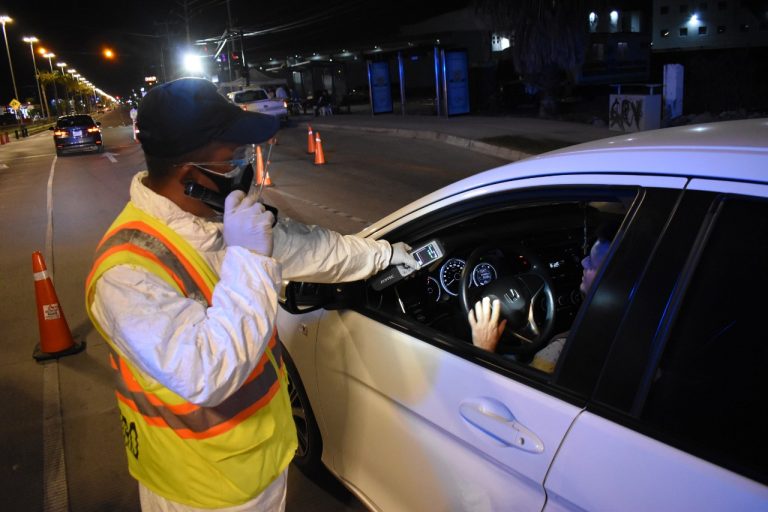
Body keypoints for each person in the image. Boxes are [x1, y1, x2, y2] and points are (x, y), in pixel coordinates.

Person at [85, 77, 418, 512]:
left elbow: (316, 249)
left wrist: (385, 254)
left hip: (262, 464)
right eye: (234, 157)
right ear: (191, 176)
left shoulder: (219, 220)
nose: (246, 166)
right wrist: (247, 258)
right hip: (196, 491)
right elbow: (207, 372)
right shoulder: (126, 273)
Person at [469, 223, 617, 373]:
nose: (583, 262)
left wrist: (484, 349)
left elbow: (514, 393)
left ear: (612, 279)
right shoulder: (618, 319)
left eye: (591, 263)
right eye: (587, 256)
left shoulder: (557, 353)